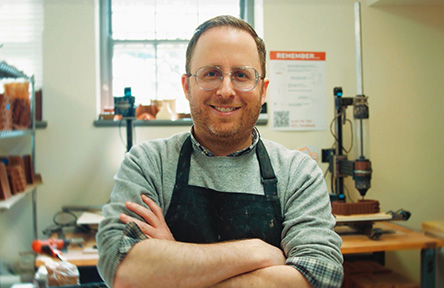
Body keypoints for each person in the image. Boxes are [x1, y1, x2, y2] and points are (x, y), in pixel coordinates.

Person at [96, 15, 343, 288]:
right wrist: (258, 252)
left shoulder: (298, 173)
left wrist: (174, 263)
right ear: (186, 86)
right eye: (211, 74)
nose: (226, 91)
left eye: (241, 75)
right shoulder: (148, 163)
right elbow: (122, 269)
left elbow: (322, 277)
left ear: (263, 91)